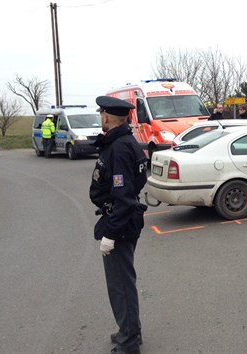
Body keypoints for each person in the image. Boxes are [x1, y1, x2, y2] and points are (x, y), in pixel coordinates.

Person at [90, 96, 148, 354]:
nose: (100, 117)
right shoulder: (124, 142)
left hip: (121, 223)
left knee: (121, 286)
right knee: (123, 283)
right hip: (123, 219)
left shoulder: (119, 148)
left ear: (106, 117)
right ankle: (129, 330)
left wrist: (110, 234)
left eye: (101, 114)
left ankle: (129, 343)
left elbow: (123, 197)